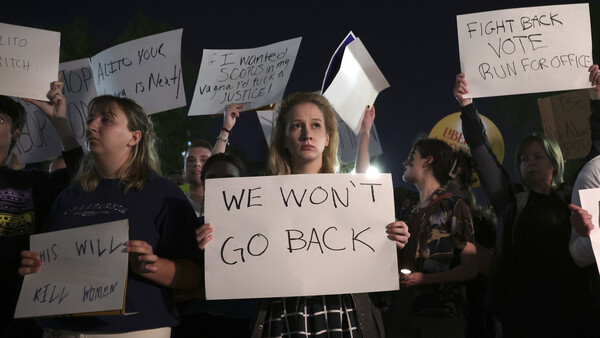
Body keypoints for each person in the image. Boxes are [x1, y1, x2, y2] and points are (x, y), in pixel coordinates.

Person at [19, 95, 202, 337]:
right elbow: (55, 261)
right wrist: (37, 266)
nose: (92, 126)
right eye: (91, 119)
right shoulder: (68, 196)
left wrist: (152, 266)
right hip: (63, 329)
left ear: (134, 137)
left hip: (134, 329)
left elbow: (193, 276)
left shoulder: (163, 194)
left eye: (107, 120)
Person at [238, 92, 408, 337]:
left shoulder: (350, 195)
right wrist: (216, 240)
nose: (307, 134)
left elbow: (368, 247)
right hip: (285, 317)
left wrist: (392, 238)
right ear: (284, 139)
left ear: (328, 138)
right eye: (297, 126)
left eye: (315, 125)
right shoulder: (259, 200)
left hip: (342, 313)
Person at [454, 68, 598, 337]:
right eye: (523, 159)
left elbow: (597, 153)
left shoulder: (572, 196)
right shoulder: (510, 201)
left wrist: (597, 97)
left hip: (576, 312)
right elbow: (482, 155)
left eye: (537, 157)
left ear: (555, 163)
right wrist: (467, 106)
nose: (529, 162)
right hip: (521, 318)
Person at [0, 82, 83, 337]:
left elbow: (85, 180)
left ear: (16, 133)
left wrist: (59, 122)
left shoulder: (34, 184)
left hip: (17, 317)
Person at [385, 138, 477, 338]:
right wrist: (365, 132)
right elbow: (366, 188)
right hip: (402, 312)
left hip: (439, 318)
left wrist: (426, 279)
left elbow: (470, 268)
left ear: (428, 161)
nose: (405, 162)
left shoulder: (454, 205)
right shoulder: (407, 205)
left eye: (412, 157)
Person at [174, 152, 256, 338]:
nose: (220, 185)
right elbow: (177, 289)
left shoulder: (259, 230)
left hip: (246, 323)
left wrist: (200, 292)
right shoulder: (189, 228)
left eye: (228, 179)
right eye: (212, 179)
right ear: (203, 186)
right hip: (197, 323)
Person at [182, 103, 242, 217]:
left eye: (204, 160)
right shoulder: (174, 206)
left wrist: (226, 129)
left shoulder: (229, 205)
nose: (197, 164)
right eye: (190, 160)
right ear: (183, 172)